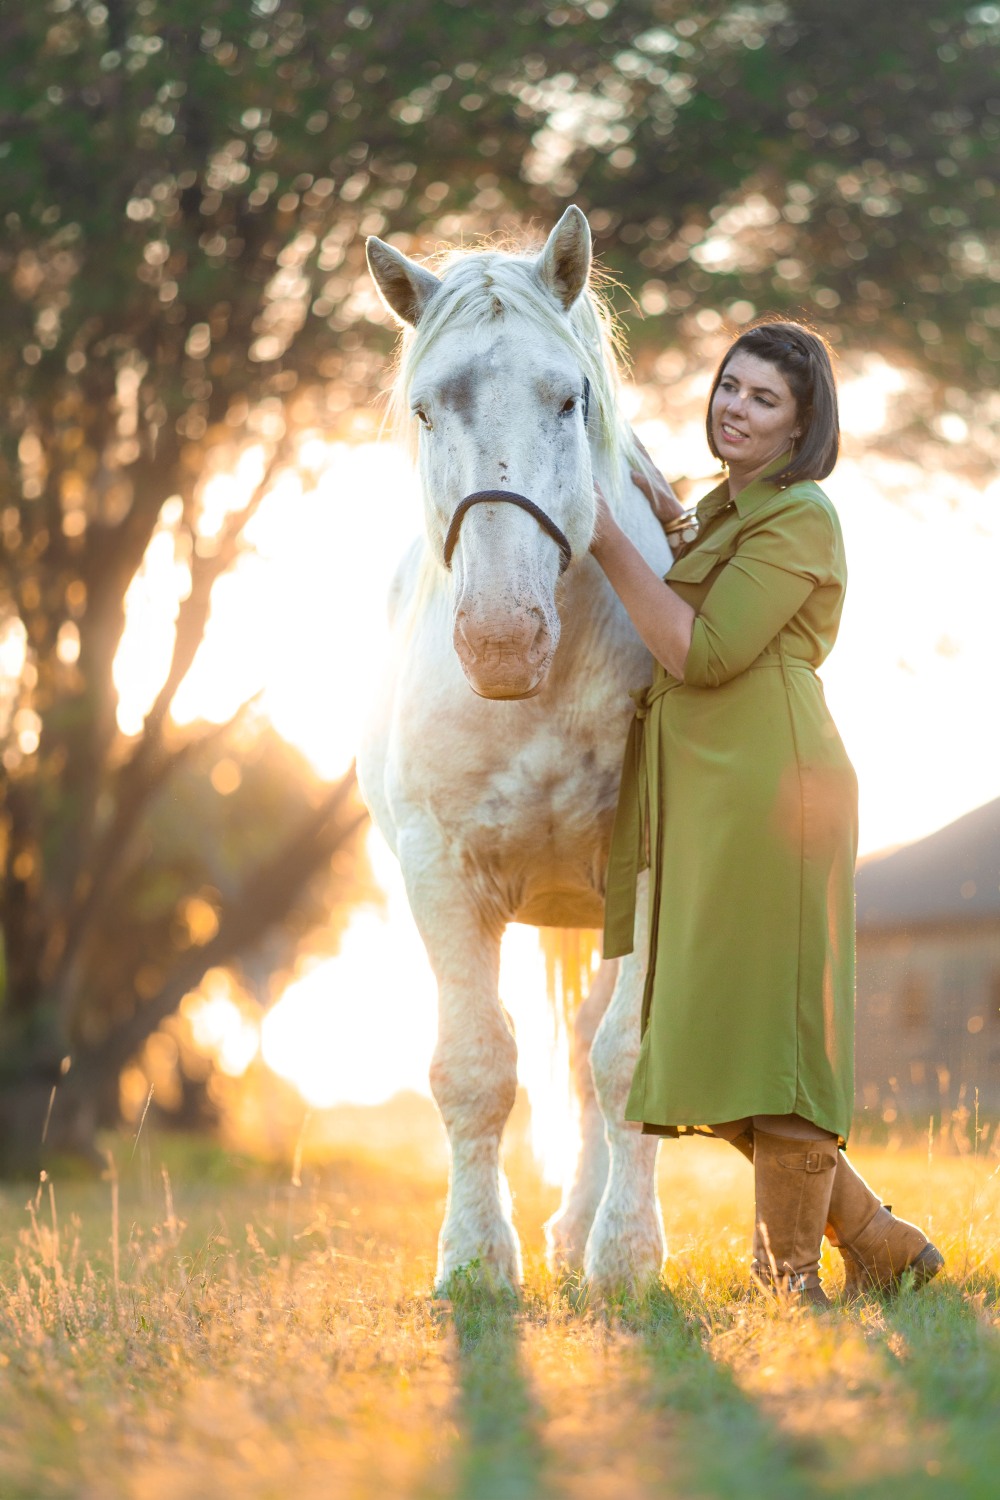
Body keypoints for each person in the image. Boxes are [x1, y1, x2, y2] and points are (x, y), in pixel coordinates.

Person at [591, 318, 943, 1306]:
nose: (733, 407)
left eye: (761, 398)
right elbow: (687, 565)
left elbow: (701, 650)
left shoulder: (801, 516)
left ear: (799, 427)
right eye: (728, 386)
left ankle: (790, 1283)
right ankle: (874, 1239)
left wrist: (604, 535)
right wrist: (656, 517)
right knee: (715, 1031)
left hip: (771, 791)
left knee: (772, 1041)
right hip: (707, 795)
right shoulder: (724, 511)